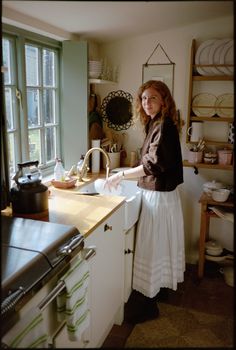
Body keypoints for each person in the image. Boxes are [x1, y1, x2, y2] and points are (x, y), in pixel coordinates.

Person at [105, 80, 185, 323]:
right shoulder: (157, 123)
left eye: (152, 98)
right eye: (143, 98)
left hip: (159, 197)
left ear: (164, 101)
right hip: (162, 196)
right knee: (158, 247)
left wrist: (121, 174)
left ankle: (148, 306)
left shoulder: (165, 125)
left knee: (151, 248)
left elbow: (152, 163)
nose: (146, 103)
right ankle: (158, 293)